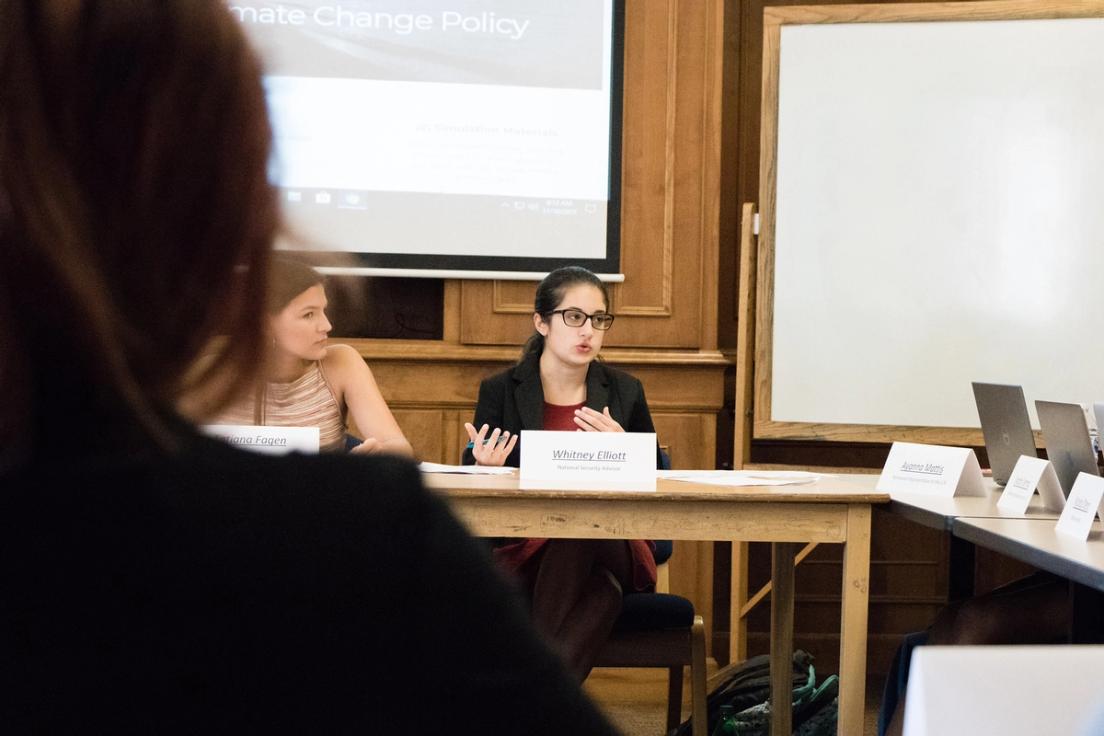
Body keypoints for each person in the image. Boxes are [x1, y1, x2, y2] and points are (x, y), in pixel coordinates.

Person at [0, 3, 617, 733]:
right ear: (232, 218)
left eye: (597, 319)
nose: (326, 327)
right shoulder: (350, 539)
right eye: (575, 316)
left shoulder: (608, 395)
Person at [463, 266, 663, 680]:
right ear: (542, 322)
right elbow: (471, 479)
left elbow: (659, 479)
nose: (587, 331)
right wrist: (486, 469)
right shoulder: (501, 390)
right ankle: (538, 705)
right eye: (574, 317)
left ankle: (518, 694)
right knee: (603, 594)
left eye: (598, 319)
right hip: (526, 545)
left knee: (578, 524)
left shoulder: (625, 391)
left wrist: (627, 450)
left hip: (616, 541)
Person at [211, 256, 414, 456]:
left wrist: (375, 456)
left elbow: (398, 448)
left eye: (323, 311)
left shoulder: (341, 363)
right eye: (309, 314)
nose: (327, 326)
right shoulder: (213, 369)